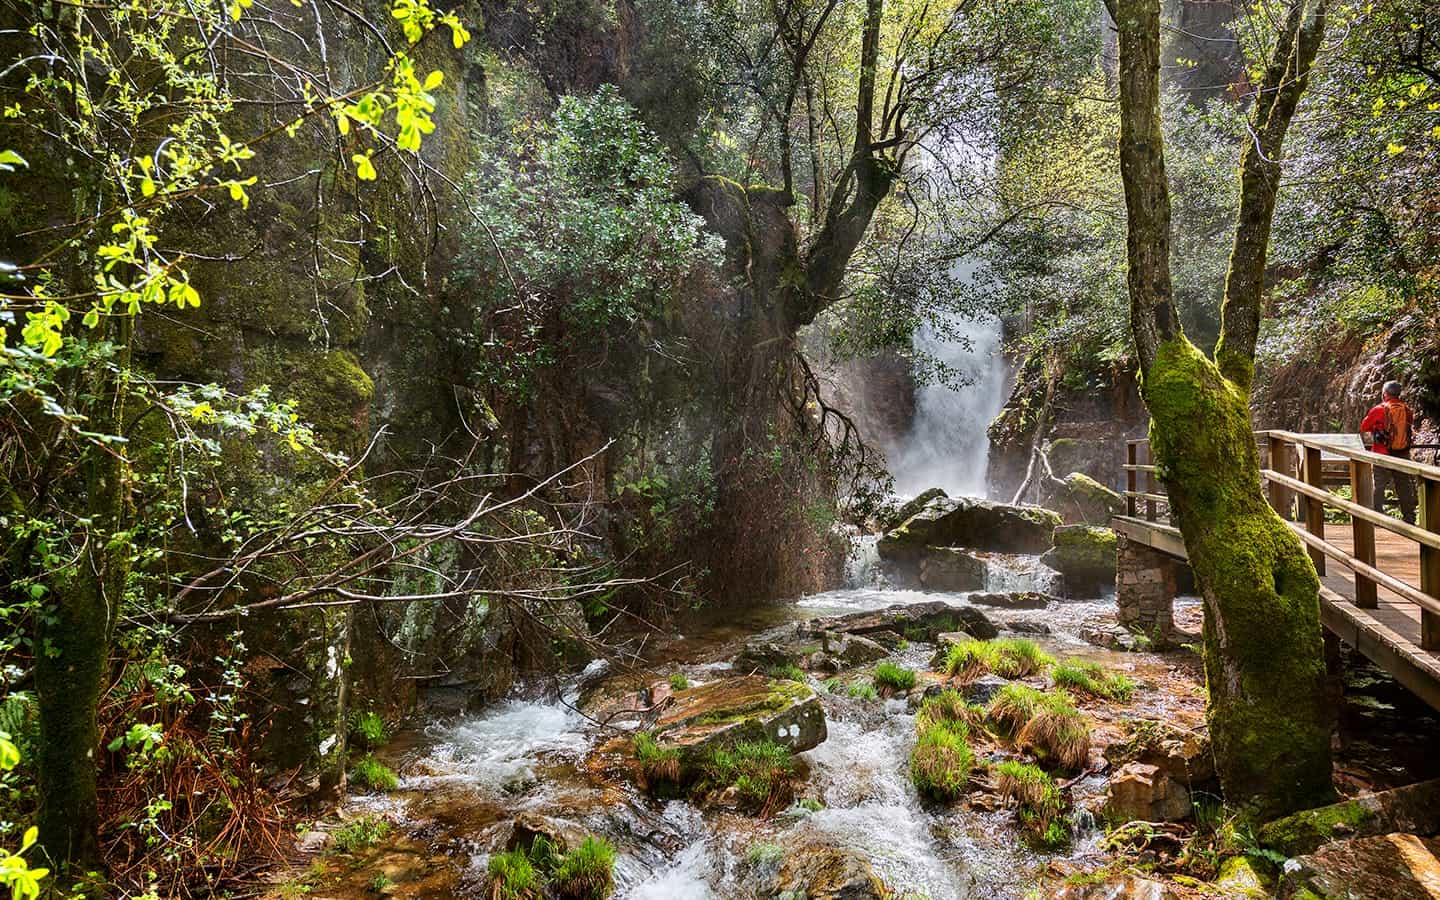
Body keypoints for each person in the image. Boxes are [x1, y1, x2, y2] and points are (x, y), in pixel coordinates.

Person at [1360, 380, 1417, 525]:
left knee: (1379, 484)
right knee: (1403, 484)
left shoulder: (1379, 409)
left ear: (1384, 394)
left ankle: (1377, 516)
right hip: (1402, 452)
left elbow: (1364, 426)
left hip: (1382, 451)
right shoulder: (1407, 410)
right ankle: (1409, 517)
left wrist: (1377, 428)